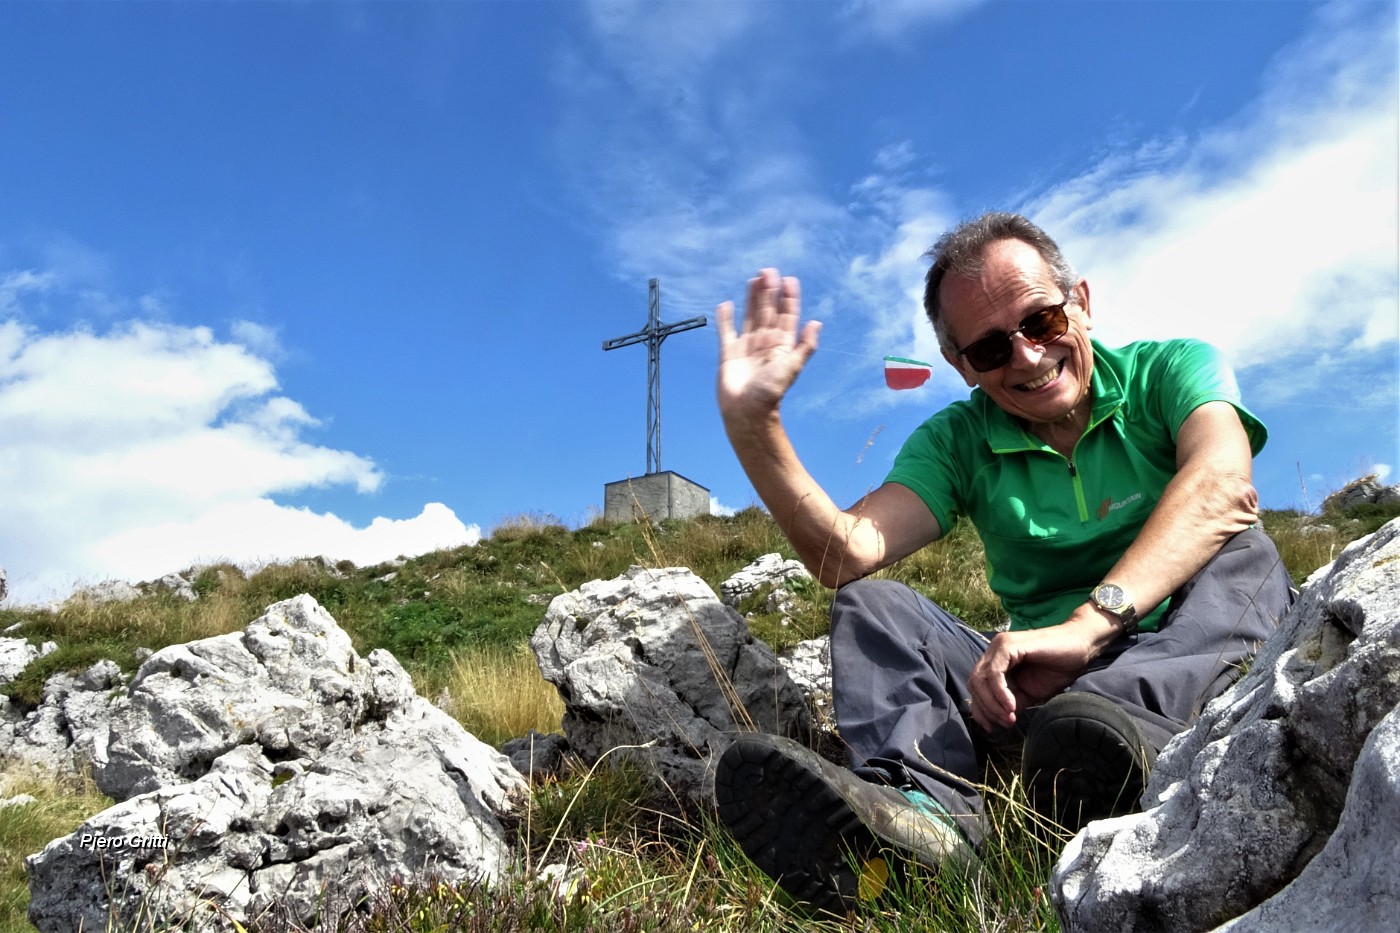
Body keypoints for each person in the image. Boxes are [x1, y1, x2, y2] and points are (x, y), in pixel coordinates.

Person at [710, 211, 1294, 914]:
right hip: (1046, 698)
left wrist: (1089, 624)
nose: (1024, 356)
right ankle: (927, 819)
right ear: (961, 366)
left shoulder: (1171, 369)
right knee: (872, 604)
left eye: (1042, 321)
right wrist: (755, 426)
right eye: (989, 350)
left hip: (1185, 661)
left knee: (1245, 551)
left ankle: (1127, 748)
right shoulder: (958, 440)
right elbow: (846, 552)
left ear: (1081, 300)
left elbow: (1224, 484)